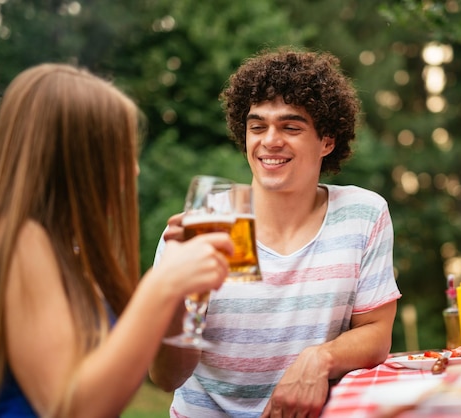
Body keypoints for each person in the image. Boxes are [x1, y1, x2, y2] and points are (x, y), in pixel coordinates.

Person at [150, 47, 401, 418]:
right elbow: (166, 377)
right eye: (257, 126)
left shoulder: (362, 214)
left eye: (290, 126)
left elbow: (376, 332)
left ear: (327, 141)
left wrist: (320, 358)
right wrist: (177, 300)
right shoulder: (204, 227)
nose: (270, 140)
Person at [0, 64, 234, 417]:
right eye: (120, 153)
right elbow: (72, 409)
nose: (135, 169)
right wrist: (161, 284)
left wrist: (178, 290)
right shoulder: (21, 242)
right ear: (76, 159)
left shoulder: (60, 248)